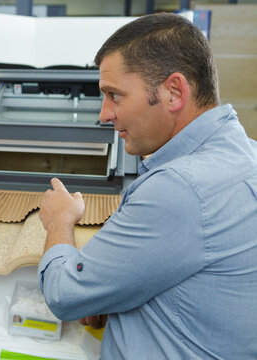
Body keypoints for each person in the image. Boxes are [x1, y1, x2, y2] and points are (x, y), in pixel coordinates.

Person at [38, 12, 257, 360]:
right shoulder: (247, 157)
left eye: (115, 95)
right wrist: (114, 294)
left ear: (174, 92)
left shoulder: (181, 190)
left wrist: (60, 221)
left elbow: (65, 294)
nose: (104, 114)